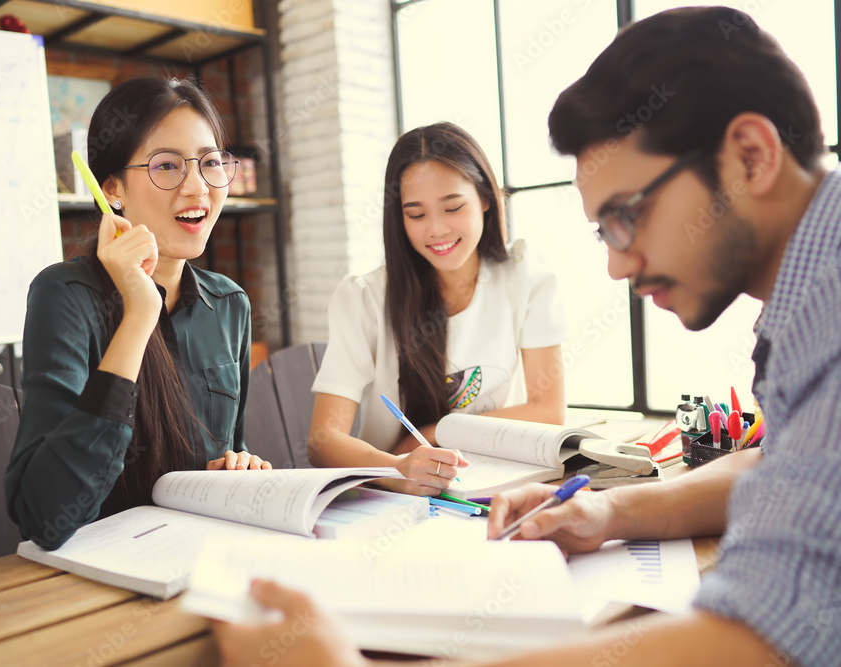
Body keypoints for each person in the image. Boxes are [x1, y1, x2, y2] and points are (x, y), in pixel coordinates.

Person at [211, 7, 841, 666]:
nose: (616, 265)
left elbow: (759, 639)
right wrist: (613, 513)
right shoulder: (808, 297)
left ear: (750, 156)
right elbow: (778, 467)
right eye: (604, 231)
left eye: (627, 217)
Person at [5, 78, 271, 551]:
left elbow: (232, 446)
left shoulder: (230, 304)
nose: (198, 187)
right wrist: (139, 314)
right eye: (166, 166)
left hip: (202, 559)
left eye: (210, 163)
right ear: (113, 190)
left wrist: (239, 466)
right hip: (100, 576)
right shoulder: (64, 296)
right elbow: (43, 517)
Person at [308, 122, 567, 495]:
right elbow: (322, 440)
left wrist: (436, 432)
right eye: (416, 214)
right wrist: (398, 466)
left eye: (453, 207)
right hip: (393, 494)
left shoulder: (526, 277)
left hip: (489, 484)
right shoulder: (365, 297)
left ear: (485, 199)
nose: (437, 230)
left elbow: (548, 411)